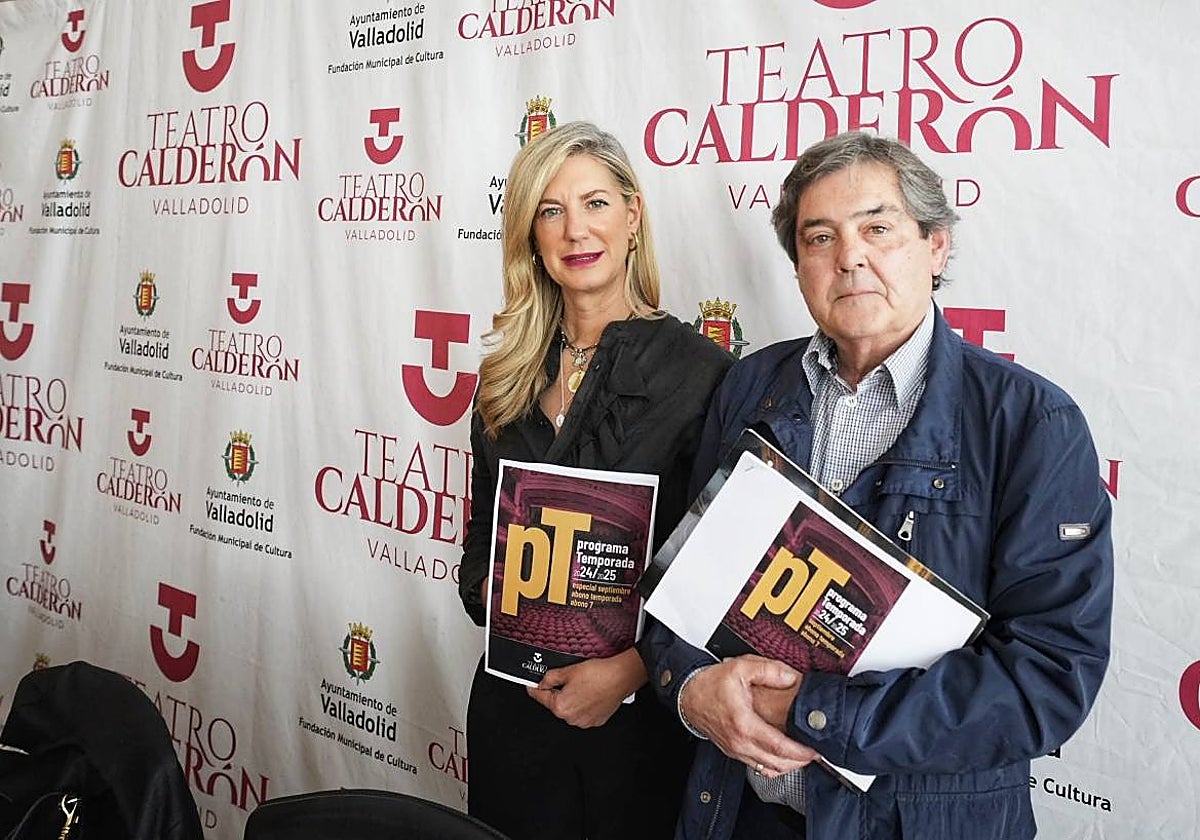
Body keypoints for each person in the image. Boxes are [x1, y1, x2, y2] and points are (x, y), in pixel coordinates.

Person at [642, 131, 1114, 840]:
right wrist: (691, 691)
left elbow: (1047, 676)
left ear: (936, 247)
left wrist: (816, 710)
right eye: (819, 237)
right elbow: (674, 589)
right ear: (798, 264)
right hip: (736, 813)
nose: (849, 257)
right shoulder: (748, 387)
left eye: (878, 229)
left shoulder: (1030, 423)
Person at [457, 121, 733, 840]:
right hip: (510, 715)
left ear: (633, 216)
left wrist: (635, 671)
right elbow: (478, 543)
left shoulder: (701, 374)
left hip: (632, 732)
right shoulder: (504, 375)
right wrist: (492, 586)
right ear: (531, 236)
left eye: (595, 204)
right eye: (550, 210)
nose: (575, 229)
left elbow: (721, 579)